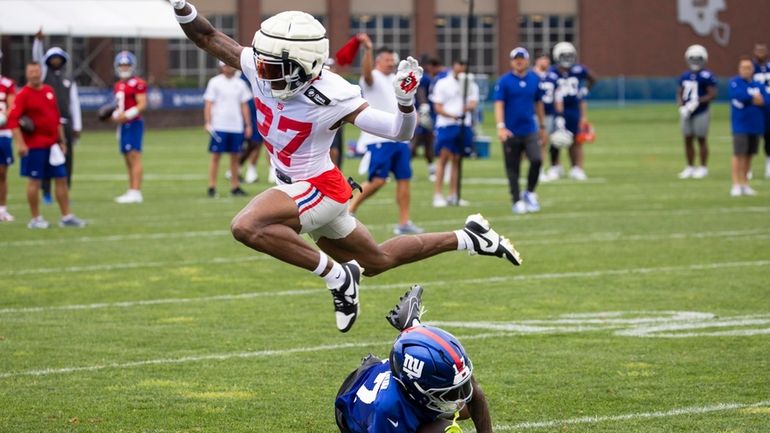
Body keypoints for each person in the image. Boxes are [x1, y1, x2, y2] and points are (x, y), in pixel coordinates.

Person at [170, 1, 522, 333]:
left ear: (302, 66)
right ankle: (470, 237)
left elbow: (400, 133)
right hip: (299, 187)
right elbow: (207, 36)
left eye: (272, 68)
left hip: (319, 188)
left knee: (247, 226)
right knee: (377, 261)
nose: (261, 72)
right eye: (260, 63)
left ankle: (338, 277)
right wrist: (181, 6)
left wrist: (404, 102)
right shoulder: (261, 64)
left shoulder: (333, 93)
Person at [335, 285, 492, 433]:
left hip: (390, 381)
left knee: (463, 405)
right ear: (417, 389)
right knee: (445, 428)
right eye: (446, 392)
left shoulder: (423, 381)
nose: (459, 396)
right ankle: (411, 325)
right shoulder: (388, 410)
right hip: (354, 409)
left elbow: (474, 395)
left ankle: (411, 325)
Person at [349, 36, 424, 235]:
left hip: (399, 138)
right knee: (378, 180)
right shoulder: (371, 77)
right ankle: (350, 209)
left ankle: (404, 222)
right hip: (379, 138)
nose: (391, 63)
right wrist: (367, 50)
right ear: (378, 61)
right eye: (388, 60)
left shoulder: (395, 79)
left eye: (393, 60)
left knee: (404, 179)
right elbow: (366, 74)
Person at [7, 62, 86, 228]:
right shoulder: (23, 95)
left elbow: (56, 118)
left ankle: (67, 216)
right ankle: (36, 219)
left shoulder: (49, 91)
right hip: (34, 146)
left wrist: (61, 140)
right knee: (34, 181)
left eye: (37, 71)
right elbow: (13, 120)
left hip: (53, 146)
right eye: (31, 72)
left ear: (41, 72)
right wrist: (20, 144)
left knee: (61, 179)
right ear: (27, 74)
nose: (34, 74)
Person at [494, 48, 546, 214]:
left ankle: (529, 192)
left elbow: (538, 103)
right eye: (516, 59)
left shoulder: (534, 79)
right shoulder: (504, 81)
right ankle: (516, 200)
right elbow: (499, 104)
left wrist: (542, 126)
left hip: (530, 128)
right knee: (513, 168)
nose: (519, 61)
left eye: (521, 58)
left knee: (537, 159)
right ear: (511, 61)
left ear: (527, 60)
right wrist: (501, 126)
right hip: (511, 130)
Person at [32, 29, 82, 203]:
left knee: (67, 159)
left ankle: (65, 193)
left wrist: (77, 126)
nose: (55, 60)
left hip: (66, 124)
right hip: (49, 124)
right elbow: (37, 59)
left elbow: (74, 103)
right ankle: (46, 192)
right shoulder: (45, 75)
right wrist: (37, 43)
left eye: (58, 58)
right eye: (52, 58)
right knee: (47, 158)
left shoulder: (69, 78)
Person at [430, 60, 479, 207]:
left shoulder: (471, 84)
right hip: (446, 125)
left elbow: (473, 102)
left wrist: (465, 110)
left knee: (457, 159)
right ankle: (438, 194)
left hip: (464, 125)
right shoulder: (443, 83)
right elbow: (437, 106)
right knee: (443, 158)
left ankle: (454, 194)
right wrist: (452, 115)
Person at [545, 42, 595, 181]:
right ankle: (555, 167)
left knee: (576, 140)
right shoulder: (552, 72)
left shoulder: (578, 69)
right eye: (564, 55)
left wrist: (584, 91)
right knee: (556, 139)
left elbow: (593, 78)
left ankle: (577, 168)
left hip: (574, 108)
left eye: (569, 55)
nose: (567, 58)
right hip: (557, 110)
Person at [203, 61, 252, 197]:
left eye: (229, 65)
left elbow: (244, 105)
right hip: (219, 125)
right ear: (221, 67)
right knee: (216, 157)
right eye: (225, 66)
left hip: (236, 126)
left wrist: (247, 124)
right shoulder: (214, 82)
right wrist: (207, 122)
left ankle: (235, 186)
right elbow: (208, 103)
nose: (227, 68)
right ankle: (212, 187)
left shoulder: (240, 84)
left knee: (235, 157)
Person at [677, 44, 718, 179]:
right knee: (687, 139)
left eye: (697, 58)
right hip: (687, 112)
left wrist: (697, 102)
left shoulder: (707, 75)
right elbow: (680, 93)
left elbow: (712, 94)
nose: (695, 61)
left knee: (701, 139)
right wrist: (682, 106)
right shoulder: (685, 75)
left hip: (701, 111)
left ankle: (703, 167)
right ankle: (689, 167)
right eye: (692, 58)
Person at [112, 51, 147, 204]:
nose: (124, 67)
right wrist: (115, 115)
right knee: (127, 157)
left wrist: (126, 115)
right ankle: (131, 189)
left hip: (133, 123)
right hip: (123, 125)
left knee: (134, 157)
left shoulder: (137, 83)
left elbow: (142, 104)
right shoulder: (118, 85)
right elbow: (118, 106)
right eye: (121, 64)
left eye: (126, 65)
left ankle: (136, 191)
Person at [728, 56, 766, 197]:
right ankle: (736, 183)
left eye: (749, 68)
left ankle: (745, 183)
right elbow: (739, 96)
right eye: (743, 67)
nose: (746, 70)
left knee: (749, 155)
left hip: (755, 125)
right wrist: (752, 99)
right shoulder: (735, 83)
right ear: (739, 69)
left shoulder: (758, 85)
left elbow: (765, 99)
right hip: (740, 125)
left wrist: (756, 99)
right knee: (739, 154)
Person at [411, 57, 441, 181]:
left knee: (429, 142)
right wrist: (423, 106)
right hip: (421, 114)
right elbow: (420, 91)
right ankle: (407, 169)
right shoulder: (423, 77)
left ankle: (431, 170)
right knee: (415, 141)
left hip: (427, 113)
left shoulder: (430, 78)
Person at [0, 49, 16, 222]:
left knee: (2, 172)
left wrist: (4, 116)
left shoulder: (6, 83)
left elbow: (13, 105)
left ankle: (2, 209)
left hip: (3, 133)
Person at [751, 43, 770, 178]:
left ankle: (768, 165)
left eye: (763, 51)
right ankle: (748, 168)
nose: (761, 53)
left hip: (769, 107)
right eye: (758, 51)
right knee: (752, 137)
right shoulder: (751, 68)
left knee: (768, 137)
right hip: (755, 108)